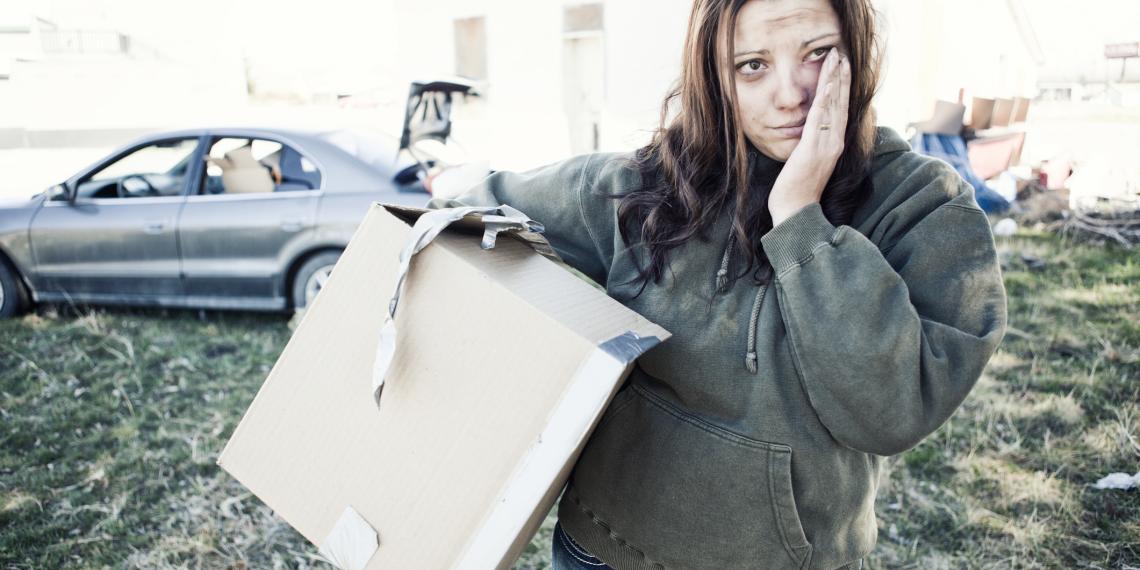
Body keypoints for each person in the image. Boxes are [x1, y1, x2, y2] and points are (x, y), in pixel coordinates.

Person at [427, 0, 1008, 568]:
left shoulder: (922, 204)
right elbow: (471, 207)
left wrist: (800, 218)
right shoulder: (652, 184)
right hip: (607, 549)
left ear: (857, 51)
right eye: (752, 65)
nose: (789, 93)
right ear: (715, 77)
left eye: (817, 54)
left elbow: (891, 410)